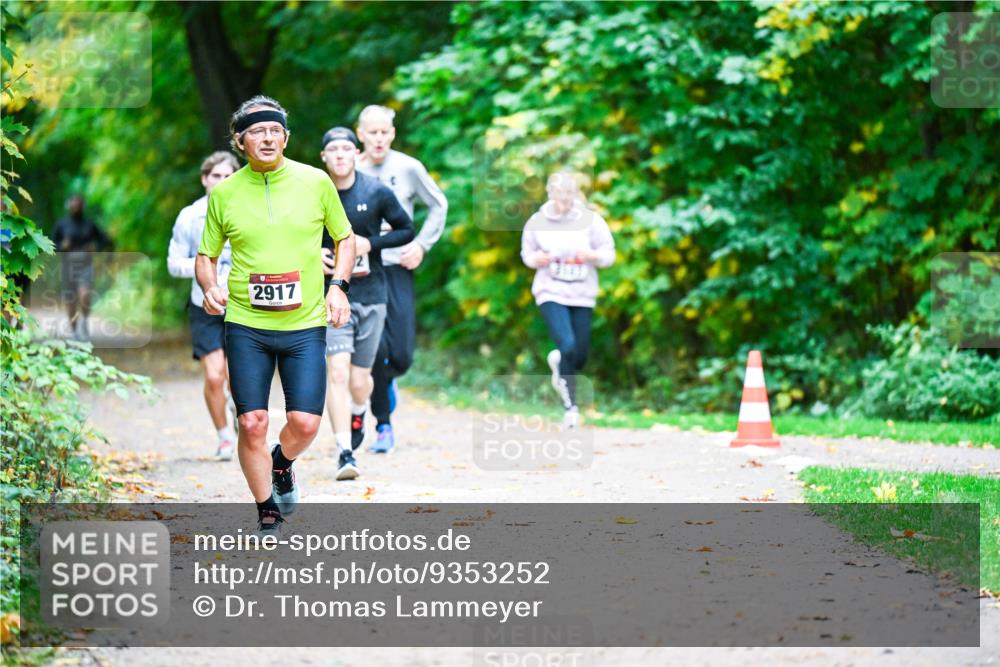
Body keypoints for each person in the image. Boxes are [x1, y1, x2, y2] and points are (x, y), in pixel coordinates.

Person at [196, 96, 355, 535]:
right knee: (252, 421)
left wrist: (338, 287)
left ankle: (281, 463)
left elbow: (345, 239)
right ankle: (266, 506)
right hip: (247, 323)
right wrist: (210, 286)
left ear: (285, 136)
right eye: (257, 132)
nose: (267, 138)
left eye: (275, 131)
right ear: (240, 140)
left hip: (305, 323)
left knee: (304, 423)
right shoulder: (225, 193)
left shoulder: (315, 181)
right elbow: (206, 255)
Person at [319, 127, 414, 479]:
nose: (340, 155)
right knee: (338, 373)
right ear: (324, 158)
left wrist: (369, 244)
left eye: (346, 149)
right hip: (332, 297)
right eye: (333, 150)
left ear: (356, 154)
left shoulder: (375, 192)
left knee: (361, 381)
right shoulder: (314, 194)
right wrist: (315, 254)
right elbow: (292, 236)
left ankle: (360, 410)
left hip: (373, 296)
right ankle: (345, 453)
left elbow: (407, 229)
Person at [355, 104, 448, 453]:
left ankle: (386, 381)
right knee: (375, 351)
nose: (378, 139)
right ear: (361, 134)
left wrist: (422, 245)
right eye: (372, 132)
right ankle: (383, 425)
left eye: (384, 132)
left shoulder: (408, 168)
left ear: (392, 134)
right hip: (363, 269)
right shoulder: (349, 168)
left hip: (398, 265)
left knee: (402, 355)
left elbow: (438, 204)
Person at [520, 171, 615, 430]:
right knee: (568, 344)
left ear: (576, 194)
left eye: (568, 196)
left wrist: (592, 255)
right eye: (559, 196)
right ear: (550, 193)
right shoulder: (537, 221)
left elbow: (608, 254)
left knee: (579, 354)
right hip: (550, 291)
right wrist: (536, 259)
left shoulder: (591, 221)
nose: (564, 202)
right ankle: (570, 408)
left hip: (583, 294)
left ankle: (559, 363)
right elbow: (526, 254)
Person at [168, 151, 241, 461]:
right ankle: (225, 437)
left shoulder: (246, 213)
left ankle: (244, 415)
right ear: (204, 179)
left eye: (228, 176)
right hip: (204, 306)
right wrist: (205, 267)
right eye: (216, 176)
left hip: (242, 305)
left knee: (237, 377)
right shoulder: (189, 216)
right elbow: (173, 264)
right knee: (214, 376)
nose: (222, 182)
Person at [51, 194, 113, 341]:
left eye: (78, 206)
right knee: (70, 301)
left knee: (85, 295)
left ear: (83, 207)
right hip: (67, 266)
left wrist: (95, 246)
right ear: (68, 207)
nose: (76, 208)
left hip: (86, 266)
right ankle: (73, 332)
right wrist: (62, 246)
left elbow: (106, 241)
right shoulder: (61, 225)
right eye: (73, 206)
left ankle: (84, 324)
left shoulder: (90, 224)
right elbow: (50, 245)